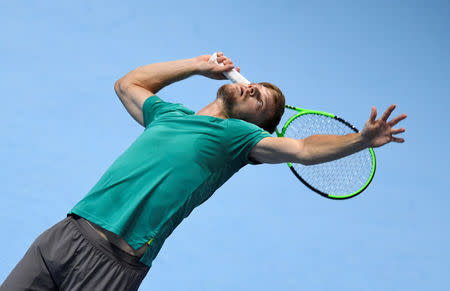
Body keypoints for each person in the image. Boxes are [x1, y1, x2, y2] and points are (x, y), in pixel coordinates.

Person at [1, 52, 407, 291]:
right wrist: (197, 65)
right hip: (66, 235)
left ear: (257, 124)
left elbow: (301, 148)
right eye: (255, 85)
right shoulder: (167, 114)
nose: (252, 89)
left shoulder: (238, 139)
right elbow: (128, 84)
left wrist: (361, 140)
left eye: (260, 101)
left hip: (112, 266)